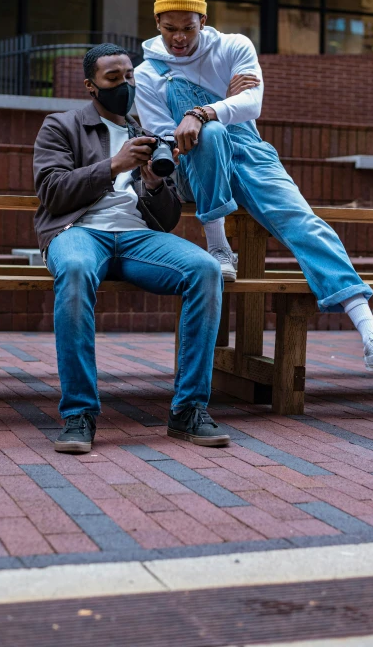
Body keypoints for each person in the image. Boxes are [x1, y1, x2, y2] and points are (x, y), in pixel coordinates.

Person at [134, 0, 373, 375]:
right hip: (193, 161)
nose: (178, 37)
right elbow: (166, 135)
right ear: (157, 22)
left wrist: (203, 110)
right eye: (169, 28)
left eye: (188, 27)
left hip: (250, 154)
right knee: (210, 134)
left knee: (305, 224)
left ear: (203, 19)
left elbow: (253, 102)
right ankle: (218, 247)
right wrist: (220, 107)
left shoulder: (233, 45)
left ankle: (372, 336)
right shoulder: (148, 73)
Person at [33, 43, 230, 453]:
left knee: (205, 270)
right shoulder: (62, 126)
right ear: (91, 86)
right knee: (73, 270)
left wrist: (155, 184)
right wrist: (113, 166)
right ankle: (79, 413)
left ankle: (188, 410)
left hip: (138, 239)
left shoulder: (146, 134)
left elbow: (167, 219)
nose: (124, 85)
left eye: (129, 76)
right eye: (113, 78)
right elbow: (51, 192)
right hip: (79, 232)